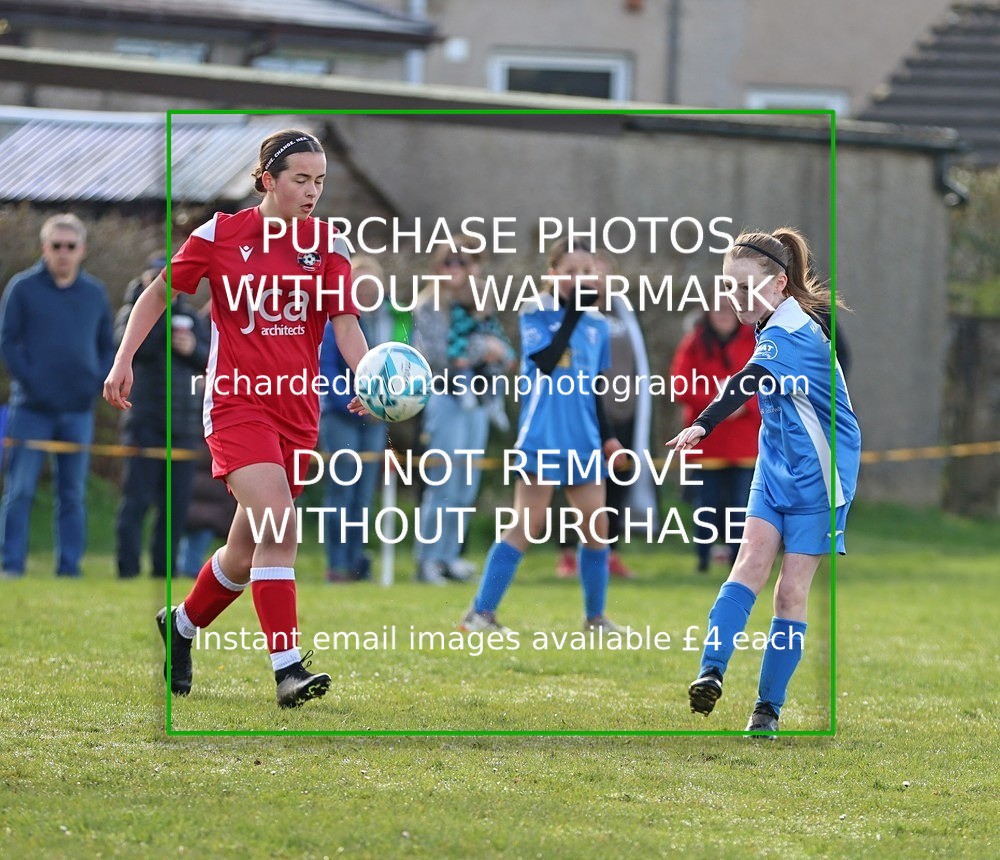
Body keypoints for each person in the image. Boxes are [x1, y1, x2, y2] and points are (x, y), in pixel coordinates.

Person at [104, 129, 369, 708]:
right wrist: (123, 359)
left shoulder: (331, 245)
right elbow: (157, 295)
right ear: (268, 180)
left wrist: (368, 377)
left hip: (297, 412)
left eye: (320, 181)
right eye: (300, 179)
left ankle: (179, 627)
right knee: (280, 524)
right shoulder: (221, 234)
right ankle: (288, 670)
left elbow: (345, 324)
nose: (312, 192)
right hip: (236, 403)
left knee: (243, 557)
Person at [669, 228, 860, 736]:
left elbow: (745, 382)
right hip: (774, 465)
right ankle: (710, 672)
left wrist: (701, 423)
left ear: (778, 284)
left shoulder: (792, 332)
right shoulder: (770, 317)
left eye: (744, 289)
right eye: (728, 289)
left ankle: (767, 709)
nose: (735, 300)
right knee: (749, 560)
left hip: (821, 476)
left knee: (789, 593)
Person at [460, 239, 622, 633]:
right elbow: (546, 363)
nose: (578, 279)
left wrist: (609, 437)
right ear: (552, 275)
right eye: (570, 272)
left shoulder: (600, 326)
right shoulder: (536, 312)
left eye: (586, 272)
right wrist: (574, 313)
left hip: (583, 439)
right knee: (525, 524)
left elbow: (595, 387)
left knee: (595, 528)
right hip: (543, 436)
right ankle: (480, 613)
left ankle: (595, 617)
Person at [0, 213, 115, 578]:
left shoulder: (95, 293)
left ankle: (69, 568)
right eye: (56, 246)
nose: (63, 253)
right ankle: (12, 565)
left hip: (78, 410)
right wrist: (33, 382)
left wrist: (94, 383)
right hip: (31, 408)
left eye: (70, 246)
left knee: (72, 495)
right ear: (44, 248)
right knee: (19, 491)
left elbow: (106, 346)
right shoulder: (22, 288)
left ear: (82, 250)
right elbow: (8, 342)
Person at [410, 242, 516, 584]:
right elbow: (437, 356)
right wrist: (484, 349)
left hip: (478, 403)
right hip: (445, 399)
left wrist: (494, 353)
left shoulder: (476, 303)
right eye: (448, 262)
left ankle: (449, 557)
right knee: (443, 484)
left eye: (464, 262)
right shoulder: (427, 306)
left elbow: (503, 351)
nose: (455, 268)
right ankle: (427, 560)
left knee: (466, 486)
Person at [555, 249, 656, 580]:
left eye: (600, 272)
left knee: (614, 489)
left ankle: (609, 553)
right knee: (575, 487)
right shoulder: (569, 316)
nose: (594, 278)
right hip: (584, 416)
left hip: (624, 415)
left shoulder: (622, 311)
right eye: (586, 272)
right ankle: (569, 554)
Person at [114, 252, 210, 578]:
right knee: (136, 501)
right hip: (143, 424)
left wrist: (191, 348)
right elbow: (130, 350)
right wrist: (163, 328)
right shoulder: (131, 315)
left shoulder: (192, 319)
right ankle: (126, 570)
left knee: (175, 510)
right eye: (153, 275)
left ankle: (163, 570)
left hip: (183, 427)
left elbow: (210, 362)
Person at [669, 298, 761, 573]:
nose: (723, 315)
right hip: (706, 441)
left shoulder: (755, 340)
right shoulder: (694, 343)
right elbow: (679, 386)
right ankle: (703, 560)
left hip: (745, 439)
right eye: (717, 309)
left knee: (741, 505)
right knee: (705, 504)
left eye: (729, 309)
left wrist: (743, 405)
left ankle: (738, 560)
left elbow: (769, 381)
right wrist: (717, 403)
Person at [318, 254, 391, 583]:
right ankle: (337, 564)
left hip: (375, 419)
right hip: (341, 416)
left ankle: (356, 561)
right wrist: (353, 401)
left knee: (363, 496)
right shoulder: (335, 321)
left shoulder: (388, 322)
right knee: (341, 493)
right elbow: (327, 369)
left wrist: (383, 406)